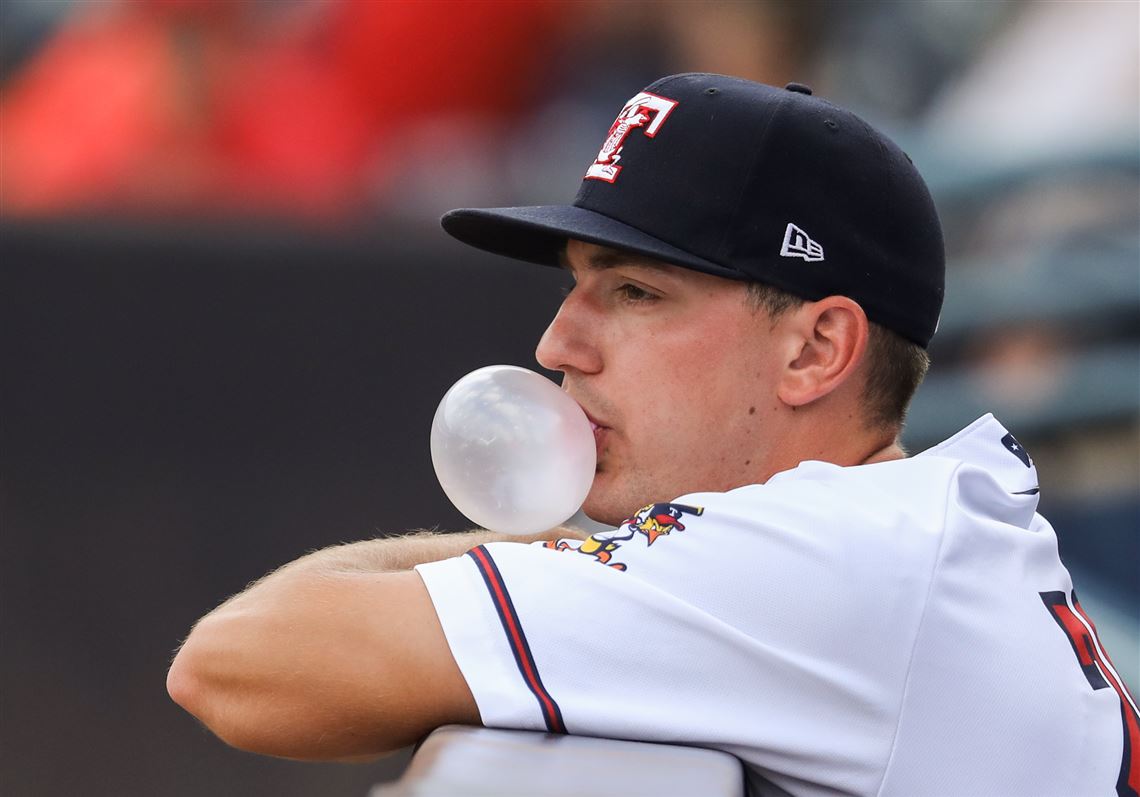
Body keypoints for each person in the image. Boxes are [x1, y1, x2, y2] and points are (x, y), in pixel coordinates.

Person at [167, 74, 1138, 796]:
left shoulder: (820, 558)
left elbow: (241, 664)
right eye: (574, 283)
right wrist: (605, 555)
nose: (560, 342)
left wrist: (599, 555)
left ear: (816, 347)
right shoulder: (896, 536)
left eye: (635, 291)